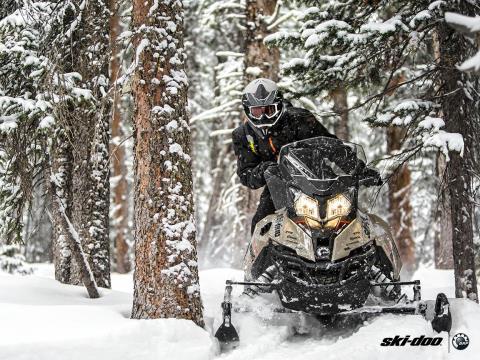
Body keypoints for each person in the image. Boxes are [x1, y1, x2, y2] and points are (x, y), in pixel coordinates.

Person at [232, 78, 338, 235]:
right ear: (248, 110)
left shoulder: (299, 119)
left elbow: (331, 146)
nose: (263, 117)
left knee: (348, 214)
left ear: (279, 106)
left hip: (319, 179)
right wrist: (264, 170)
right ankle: (260, 258)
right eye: (257, 111)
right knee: (260, 226)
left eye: (269, 110)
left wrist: (357, 167)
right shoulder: (243, 135)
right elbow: (246, 173)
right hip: (278, 186)